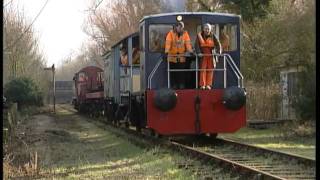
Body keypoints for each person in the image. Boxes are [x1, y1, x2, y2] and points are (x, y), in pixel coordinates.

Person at [164, 21, 193, 89]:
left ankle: (181, 85)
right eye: (179, 27)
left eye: (181, 27)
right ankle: (174, 85)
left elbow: (188, 43)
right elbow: (168, 42)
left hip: (181, 57)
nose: (180, 28)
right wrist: (166, 51)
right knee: (173, 73)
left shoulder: (185, 34)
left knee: (181, 72)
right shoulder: (170, 33)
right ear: (176, 27)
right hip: (172, 57)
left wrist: (190, 51)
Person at [195, 23, 219, 90]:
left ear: (210, 29)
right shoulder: (199, 36)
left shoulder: (213, 36)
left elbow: (218, 45)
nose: (207, 30)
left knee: (210, 71)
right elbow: (196, 45)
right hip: (203, 56)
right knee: (203, 70)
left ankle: (208, 85)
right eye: (206, 29)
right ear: (203, 29)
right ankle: (202, 85)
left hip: (211, 56)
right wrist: (199, 52)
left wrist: (218, 52)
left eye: (208, 29)